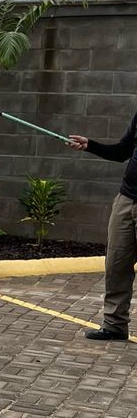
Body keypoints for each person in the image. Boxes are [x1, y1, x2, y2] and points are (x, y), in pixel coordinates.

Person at [68, 119, 137, 341]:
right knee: (116, 264)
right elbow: (122, 151)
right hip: (127, 199)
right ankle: (115, 325)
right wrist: (91, 145)